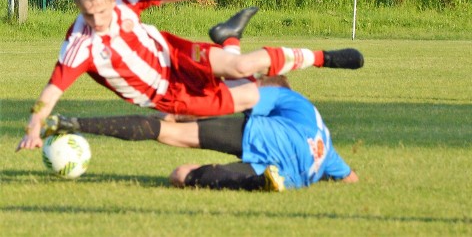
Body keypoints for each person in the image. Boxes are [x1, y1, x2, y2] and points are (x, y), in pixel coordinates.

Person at [17, 0, 364, 151]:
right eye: (88, 15)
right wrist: (34, 128)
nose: (96, 21)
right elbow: (50, 94)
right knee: (246, 95)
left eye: (101, 12)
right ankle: (229, 37)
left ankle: (323, 57)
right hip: (168, 94)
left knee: (241, 68)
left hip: (176, 54)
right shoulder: (80, 44)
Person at [40, 76, 359, 192]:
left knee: (167, 140)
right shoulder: (325, 144)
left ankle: (75, 123)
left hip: (260, 137)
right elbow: (350, 179)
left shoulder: (285, 97)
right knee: (182, 175)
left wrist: (178, 111)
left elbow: (225, 103)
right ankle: (260, 182)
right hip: (289, 173)